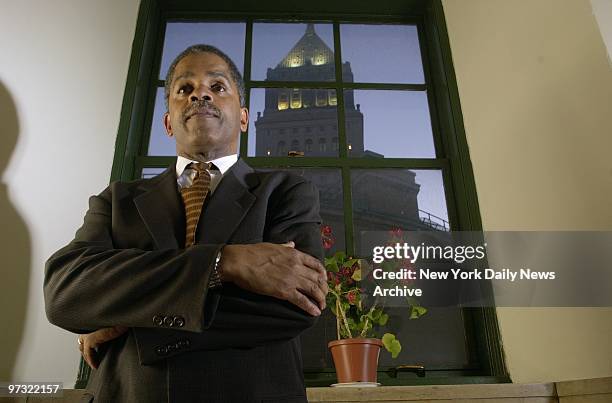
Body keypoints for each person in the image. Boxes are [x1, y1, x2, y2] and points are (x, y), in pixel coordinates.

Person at [44, 44, 328, 403]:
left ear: (243, 117)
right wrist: (224, 263)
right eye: (184, 88)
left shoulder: (287, 192)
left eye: (218, 86)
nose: (201, 94)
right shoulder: (116, 200)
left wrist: (127, 320)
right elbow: (65, 293)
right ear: (168, 122)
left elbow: (298, 304)